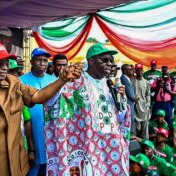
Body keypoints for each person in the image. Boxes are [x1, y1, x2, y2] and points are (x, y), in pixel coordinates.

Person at [0, 42, 83, 176]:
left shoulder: (13, 82)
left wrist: (62, 79)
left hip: (17, 167)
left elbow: (38, 96)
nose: (5, 67)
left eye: (7, 63)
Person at [44, 43, 130, 175]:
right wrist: (63, 80)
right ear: (91, 61)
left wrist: (122, 99)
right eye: (104, 60)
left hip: (111, 146)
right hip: (87, 145)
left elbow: (119, 117)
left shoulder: (110, 84)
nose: (109, 63)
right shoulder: (76, 82)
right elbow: (54, 103)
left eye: (111, 61)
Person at [19, 48, 57, 176]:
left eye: (45, 60)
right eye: (39, 60)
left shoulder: (53, 81)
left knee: (50, 165)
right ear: (31, 62)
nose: (42, 63)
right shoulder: (21, 81)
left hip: (50, 129)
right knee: (32, 167)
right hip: (31, 129)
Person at [132, 63, 151, 139]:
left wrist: (148, 104)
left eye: (141, 70)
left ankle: (145, 144)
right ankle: (135, 145)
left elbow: (147, 94)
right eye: (137, 70)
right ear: (135, 71)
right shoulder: (132, 81)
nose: (139, 72)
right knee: (135, 127)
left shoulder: (146, 82)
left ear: (143, 71)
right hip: (135, 107)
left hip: (144, 107)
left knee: (145, 127)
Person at [121, 64, 136, 133]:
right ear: (125, 71)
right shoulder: (123, 79)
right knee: (129, 120)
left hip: (130, 103)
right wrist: (135, 98)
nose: (132, 71)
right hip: (128, 103)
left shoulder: (127, 78)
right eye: (130, 70)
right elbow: (132, 96)